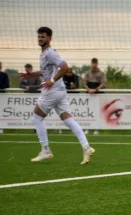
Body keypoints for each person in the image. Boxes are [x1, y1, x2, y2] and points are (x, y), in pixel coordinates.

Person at [20, 27, 95, 164]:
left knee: (37, 117)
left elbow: (65, 67)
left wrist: (52, 81)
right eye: (39, 37)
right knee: (67, 119)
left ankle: (45, 150)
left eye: (43, 37)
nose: (40, 39)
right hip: (60, 91)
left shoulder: (50, 53)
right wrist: (31, 74)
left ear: (49, 38)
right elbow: (45, 71)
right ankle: (86, 147)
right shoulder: (44, 54)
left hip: (52, 90)